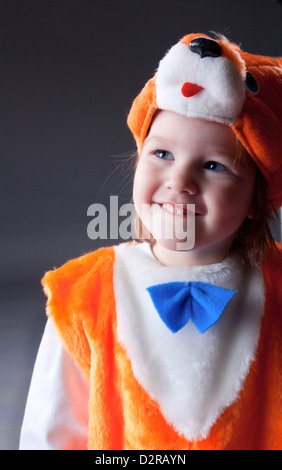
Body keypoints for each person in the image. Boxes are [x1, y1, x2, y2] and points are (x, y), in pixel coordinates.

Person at [20, 33, 282, 450]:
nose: (180, 182)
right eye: (162, 154)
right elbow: (50, 437)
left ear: (256, 199)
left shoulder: (277, 287)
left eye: (214, 165)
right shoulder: (83, 297)